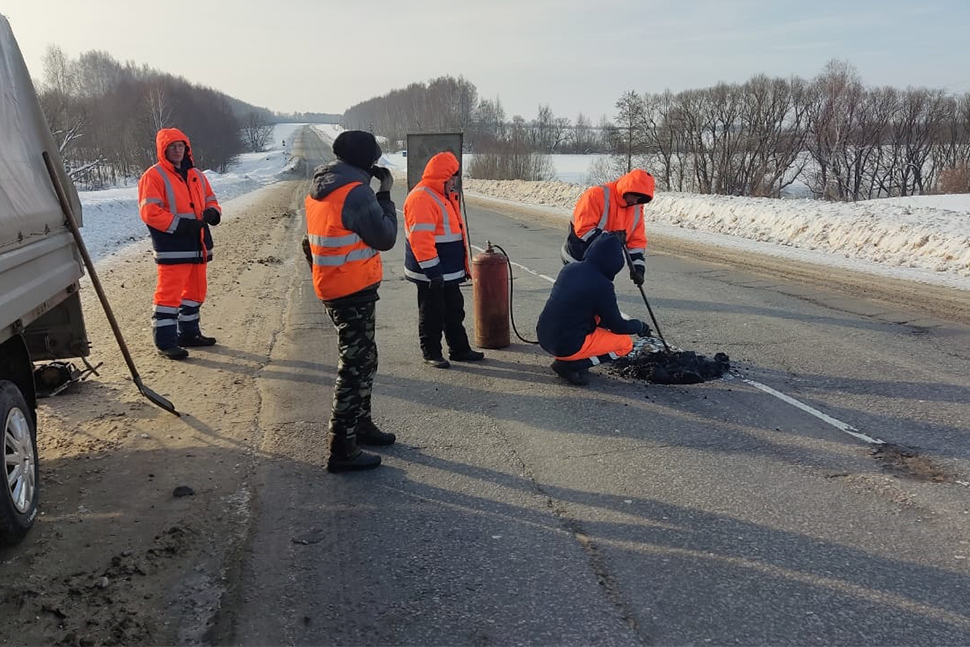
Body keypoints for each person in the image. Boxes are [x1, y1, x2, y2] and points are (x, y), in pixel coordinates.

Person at [303, 130, 398, 473]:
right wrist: (385, 194)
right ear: (367, 161)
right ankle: (342, 446)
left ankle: (360, 425)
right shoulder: (355, 193)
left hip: (335, 285)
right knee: (355, 365)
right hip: (351, 289)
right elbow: (386, 236)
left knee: (365, 357)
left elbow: (309, 243)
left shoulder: (321, 188)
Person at [138, 128, 222, 360]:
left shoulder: (197, 174)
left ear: (187, 149)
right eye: (172, 146)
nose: (177, 150)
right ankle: (165, 342)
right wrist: (181, 225)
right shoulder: (154, 176)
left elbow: (211, 199)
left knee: (195, 293)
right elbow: (150, 212)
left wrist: (213, 213)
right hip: (173, 246)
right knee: (169, 297)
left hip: (199, 244)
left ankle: (189, 335)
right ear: (163, 150)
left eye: (181, 146)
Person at [403, 151, 484, 368]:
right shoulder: (422, 197)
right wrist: (433, 271)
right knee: (431, 313)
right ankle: (431, 352)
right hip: (431, 271)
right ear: (444, 176)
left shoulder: (442, 197)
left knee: (454, 310)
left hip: (446, 270)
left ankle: (459, 349)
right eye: (453, 178)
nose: (455, 183)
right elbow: (421, 239)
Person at [538, 232, 651, 386]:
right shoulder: (602, 286)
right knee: (625, 343)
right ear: (614, 263)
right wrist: (639, 326)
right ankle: (570, 365)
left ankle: (573, 357)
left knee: (598, 318)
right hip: (566, 345)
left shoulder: (570, 269)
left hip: (544, 337)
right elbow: (617, 325)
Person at [560, 168, 655, 287]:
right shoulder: (596, 195)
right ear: (627, 188)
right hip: (578, 258)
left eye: (640, 199)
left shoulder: (636, 208)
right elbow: (584, 230)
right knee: (576, 297)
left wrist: (638, 268)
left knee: (599, 298)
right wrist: (612, 239)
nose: (636, 201)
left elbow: (636, 242)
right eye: (635, 196)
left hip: (603, 264)